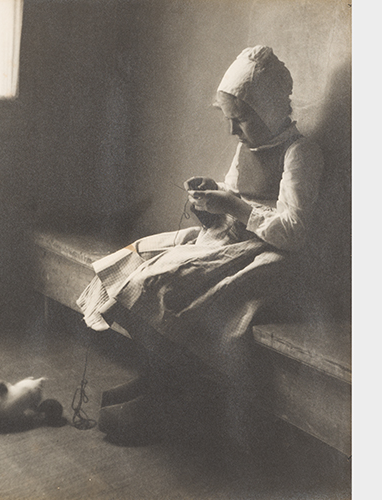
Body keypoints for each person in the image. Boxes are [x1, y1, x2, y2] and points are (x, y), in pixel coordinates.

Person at [76, 45, 324, 446]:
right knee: (135, 260)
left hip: (268, 258)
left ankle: (172, 394)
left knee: (165, 282)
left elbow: (294, 230)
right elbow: (232, 196)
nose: (233, 131)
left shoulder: (301, 153)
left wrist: (236, 208)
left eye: (240, 120)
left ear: (269, 111)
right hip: (228, 240)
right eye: (230, 120)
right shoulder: (247, 148)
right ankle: (159, 378)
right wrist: (210, 203)